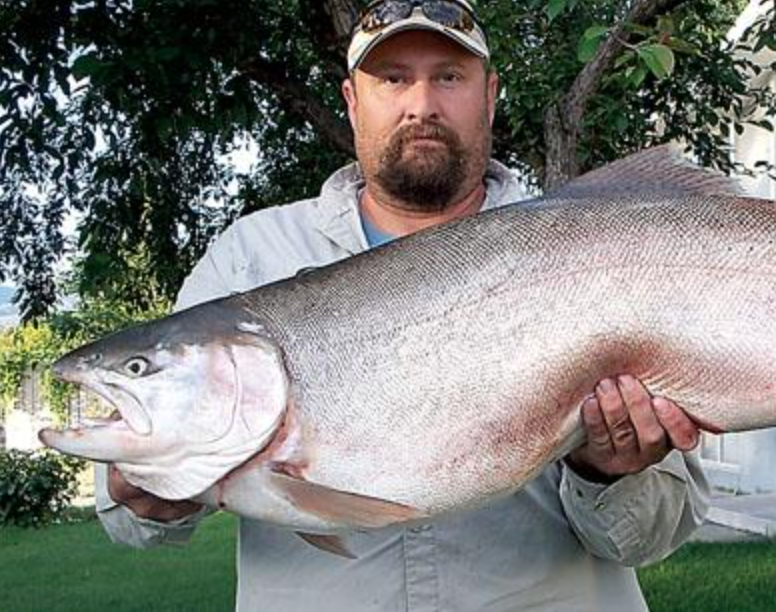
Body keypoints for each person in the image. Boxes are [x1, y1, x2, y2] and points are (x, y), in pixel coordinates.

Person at [94, 1, 710, 609]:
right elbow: (132, 518)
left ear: (490, 95)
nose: (421, 104)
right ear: (351, 101)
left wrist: (606, 472)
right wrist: (148, 488)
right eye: (393, 79)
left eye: (448, 75)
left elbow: (653, 535)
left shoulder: (609, 246)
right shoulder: (249, 257)